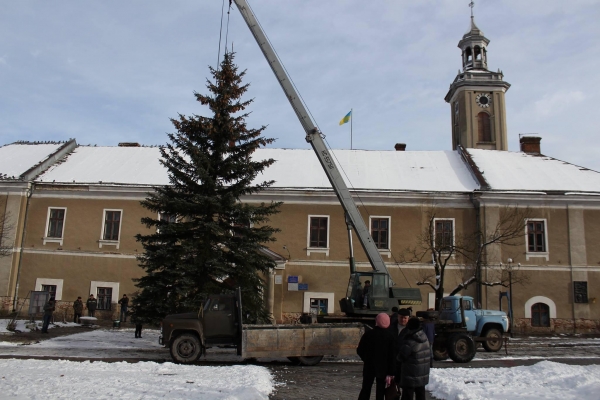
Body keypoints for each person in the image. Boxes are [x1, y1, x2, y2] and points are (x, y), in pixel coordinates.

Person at [356, 313, 395, 400]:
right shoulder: (390, 336)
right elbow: (392, 355)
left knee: (366, 388)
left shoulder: (368, 334)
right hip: (383, 368)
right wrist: (391, 372)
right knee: (380, 390)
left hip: (369, 366)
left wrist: (366, 358)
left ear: (377, 321)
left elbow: (360, 350)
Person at [396, 317, 431, 400]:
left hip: (410, 374)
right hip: (422, 374)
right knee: (421, 395)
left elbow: (401, 356)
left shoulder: (410, 340)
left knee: (407, 395)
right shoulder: (424, 337)